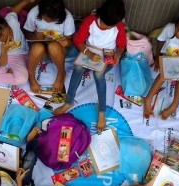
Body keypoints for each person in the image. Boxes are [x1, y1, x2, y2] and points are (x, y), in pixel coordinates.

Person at [53, 0, 126, 132]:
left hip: (107, 54)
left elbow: (121, 44)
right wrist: (89, 53)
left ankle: (102, 112)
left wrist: (118, 54)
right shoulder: (90, 21)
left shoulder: (119, 26)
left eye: (111, 26)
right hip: (89, 50)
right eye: (106, 25)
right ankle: (69, 101)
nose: (108, 28)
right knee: (78, 68)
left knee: (99, 74)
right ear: (100, 16)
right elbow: (78, 40)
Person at [24, 0, 75, 93]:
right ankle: (31, 76)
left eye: (53, 20)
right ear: (41, 12)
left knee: (53, 46)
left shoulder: (68, 17)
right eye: (46, 19)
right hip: (40, 49)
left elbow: (69, 40)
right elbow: (27, 32)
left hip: (58, 52)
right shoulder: (34, 13)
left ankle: (61, 74)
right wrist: (34, 37)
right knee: (37, 48)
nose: (49, 22)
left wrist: (66, 42)